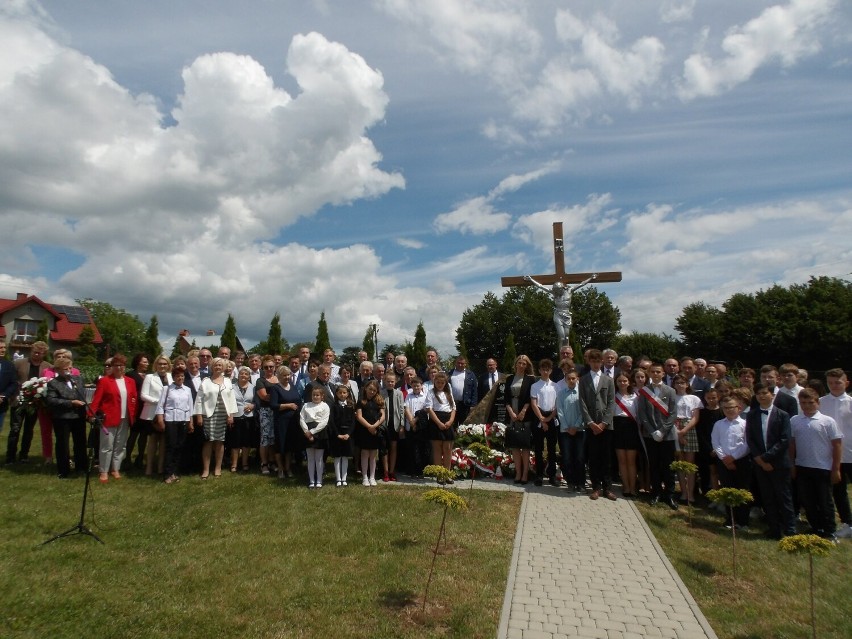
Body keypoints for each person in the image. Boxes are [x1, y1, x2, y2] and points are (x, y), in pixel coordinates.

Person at [790, 389, 843, 540]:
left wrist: (836, 468)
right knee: (808, 500)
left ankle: (830, 531)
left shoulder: (827, 421)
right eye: (803, 403)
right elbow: (792, 444)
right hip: (802, 466)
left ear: (818, 403)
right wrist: (792, 464)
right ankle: (816, 527)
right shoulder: (795, 420)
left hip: (823, 467)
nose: (807, 406)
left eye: (810, 403)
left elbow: (837, 445)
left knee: (825, 501)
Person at [745, 383, 795, 539]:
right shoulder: (752, 415)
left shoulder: (783, 415)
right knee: (768, 497)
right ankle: (773, 529)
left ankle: (790, 529)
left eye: (765, 393)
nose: (761, 396)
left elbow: (784, 440)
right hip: (760, 464)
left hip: (778, 463)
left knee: (783, 497)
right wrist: (759, 459)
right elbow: (750, 439)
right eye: (758, 393)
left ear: (772, 395)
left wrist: (767, 457)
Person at [90, 353, 138, 483]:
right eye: (116, 365)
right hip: (109, 418)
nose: (119, 368)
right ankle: (104, 471)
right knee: (107, 445)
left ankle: (115, 468)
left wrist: (132, 415)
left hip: (125, 418)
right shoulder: (105, 381)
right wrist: (91, 415)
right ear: (112, 367)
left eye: (122, 365)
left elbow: (133, 399)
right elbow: (97, 399)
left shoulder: (130, 381)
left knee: (120, 446)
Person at [637, 363, 678, 509]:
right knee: (653, 465)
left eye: (658, 372)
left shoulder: (671, 391)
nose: (655, 374)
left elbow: (673, 413)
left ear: (663, 374)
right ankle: (656, 493)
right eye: (653, 372)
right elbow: (642, 413)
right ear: (649, 373)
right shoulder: (644, 391)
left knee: (668, 466)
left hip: (667, 435)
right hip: (650, 435)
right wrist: (652, 431)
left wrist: (662, 430)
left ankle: (670, 495)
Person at [579, 349, 616, 501]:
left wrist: (604, 423)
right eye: (592, 361)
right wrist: (590, 422)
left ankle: (608, 488)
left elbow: (611, 402)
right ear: (589, 362)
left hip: (606, 426)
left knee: (606, 458)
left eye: (598, 361)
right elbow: (582, 402)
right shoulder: (584, 379)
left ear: (602, 362)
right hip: (591, 425)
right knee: (593, 457)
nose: (595, 364)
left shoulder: (608, 380)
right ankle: (596, 487)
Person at [44, 352, 87, 479]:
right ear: (58, 370)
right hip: (62, 417)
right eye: (65, 369)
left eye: (70, 368)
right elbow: (51, 401)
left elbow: (83, 393)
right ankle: (63, 470)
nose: (69, 371)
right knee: (63, 444)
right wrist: (70, 403)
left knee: (80, 442)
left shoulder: (78, 379)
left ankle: (81, 467)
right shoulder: (54, 383)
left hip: (78, 416)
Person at [711, 397, 753, 530]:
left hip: (741, 462)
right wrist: (724, 458)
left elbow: (747, 444)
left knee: (742, 490)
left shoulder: (745, 424)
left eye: (731, 407)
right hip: (723, 462)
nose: (729, 410)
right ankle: (730, 519)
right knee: (727, 490)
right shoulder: (718, 424)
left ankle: (743, 521)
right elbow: (715, 442)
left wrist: (733, 457)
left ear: (739, 408)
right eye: (725, 408)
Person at [6, 340, 50, 464]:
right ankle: (10, 456)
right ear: (31, 351)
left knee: (28, 430)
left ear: (44, 354)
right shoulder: (18, 363)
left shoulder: (47, 366)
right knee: (15, 428)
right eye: (35, 352)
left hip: (35, 403)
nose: (37, 355)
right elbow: (11, 380)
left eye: (40, 353)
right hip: (18, 401)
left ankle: (24, 455)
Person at [193, 357, 237, 479]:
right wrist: (199, 415)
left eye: (220, 365)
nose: (218, 367)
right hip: (208, 414)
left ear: (223, 367)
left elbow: (231, 399)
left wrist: (231, 415)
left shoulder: (227, 381)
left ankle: (218, 468)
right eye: (216, 365)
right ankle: (206, 469)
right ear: (212, 367)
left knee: (220, 441)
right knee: (208, 442)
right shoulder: (206, 381)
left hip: (223, 415)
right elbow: (199, 400)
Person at [820, 368, 852, 538]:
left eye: (838, 382)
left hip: (851, 453)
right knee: (838, 491)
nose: (834, 386)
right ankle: (847, 522)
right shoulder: (821, 402)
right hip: (832, 455)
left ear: (846, 383)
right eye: (830, 383)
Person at [523, 273, 596, 347]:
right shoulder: (554, 293)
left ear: (562, 288)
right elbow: (541, 286)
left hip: (567, 315)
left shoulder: (569, 291)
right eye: (556, 290)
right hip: (558, 314)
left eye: (558, 290)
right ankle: (562, 353)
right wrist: (531, 280)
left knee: (566, 337)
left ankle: (566, 353)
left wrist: (591, 278)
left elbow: (581, 284)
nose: (557, 292)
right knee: (562, 337)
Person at [155, 366, 194, 485]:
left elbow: (190, 407)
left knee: (179, 446)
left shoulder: (187, 390)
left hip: (183, 420)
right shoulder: (167, 389)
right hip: (170, 420)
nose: (180, 378)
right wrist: (160, 420)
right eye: (178, 376)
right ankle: (167, 473)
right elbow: (160, 406)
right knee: (171, 447)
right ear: (173, 377)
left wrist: (190, 422)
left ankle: (175, 472)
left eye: (182, 376)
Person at [504, 355, 536, 485]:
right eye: (520, 363)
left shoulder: (530, 379)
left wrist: (523, 411)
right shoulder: (509, 378)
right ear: (516, 364)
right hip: (512, 413)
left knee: (525, 445)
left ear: (527, 366)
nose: (522, 365)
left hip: (525, 414)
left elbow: (531, 398)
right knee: (515, 446)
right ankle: (517, 472)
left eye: (524, 364)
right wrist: (511, 411)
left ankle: (525, 474)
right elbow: (506, 397)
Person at [139, 355, 172, 478]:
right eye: (160, 364)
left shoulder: (170, 377)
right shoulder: (149, 377)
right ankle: (148, 467)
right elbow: (143, 395)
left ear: (168, 365)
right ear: (156, 365)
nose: (162, 366)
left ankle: (160, 467)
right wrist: (159, 401)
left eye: (165, 364)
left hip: (167, 413)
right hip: (152, 413)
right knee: (153, 440)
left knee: (164, 441)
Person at [672, 374, 702, 504]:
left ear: (687, 384)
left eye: (682, 382)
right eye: (677, 383)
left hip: (689, 428)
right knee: (680, 463)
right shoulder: (671, 397)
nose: (680, 385)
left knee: (690, 464)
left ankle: (691, 493)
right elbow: (670, 416)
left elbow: (695, 417)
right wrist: (677, 432)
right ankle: (683, 492)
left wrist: (684, 431)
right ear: (674, 385)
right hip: (675, 427)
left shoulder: (694, 398)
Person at [555, 363, 584, 492]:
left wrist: (576, 426)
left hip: (580, 430)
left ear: (577, 378)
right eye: (569, 379)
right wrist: (567, 426)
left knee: (579, 457)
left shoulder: (582, 393)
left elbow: (584, 411)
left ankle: (581, 482)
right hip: (565, 430)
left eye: (574, 378)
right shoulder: (561, 394)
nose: (571, 380)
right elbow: (560, 411)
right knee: (567, 457)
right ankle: (570, 481)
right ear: (565, 379)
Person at [530, 359, 559, 487]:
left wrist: (549, 418)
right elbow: (533, 403)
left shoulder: (556, 386)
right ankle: (539, 475)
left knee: (552, 449)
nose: (545, 371)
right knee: (539, 448)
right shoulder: (535, 386)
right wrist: (542, 419)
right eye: (543, 369)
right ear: (539, 370)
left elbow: (558, 404)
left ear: (551, 371)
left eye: (548, 369)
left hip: (552, 417)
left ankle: (552, 475)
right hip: (539, 417)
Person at [269, 365, 301, 479]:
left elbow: (297, 400)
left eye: (288, 375)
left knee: (289, 446)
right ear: (278, 376)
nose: (287, 377)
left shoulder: (292, 386)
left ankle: (288, 468)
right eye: (284, 375)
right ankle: (280, 469)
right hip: (281, 421)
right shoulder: (275, 388)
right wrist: (288, 405)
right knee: (280, 445)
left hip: (293, 421)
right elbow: (273, 405)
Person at [425, 371, 457, 481]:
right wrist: (438, 423)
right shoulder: (431, 392)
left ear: (445, 383)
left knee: (447, 449)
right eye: (438, 382)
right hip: (436, 420)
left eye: (442, 383)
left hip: (448, 420)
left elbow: (453, 408)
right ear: (435, 382)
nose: (440, 385)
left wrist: (451, 421)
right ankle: (439, 474)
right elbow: (429, 408)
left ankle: (447, 474)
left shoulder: (448, 393)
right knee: (437, 449)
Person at [613, 372, 640, 498]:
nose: (622, 383)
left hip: (631, 428)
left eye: (625, 381)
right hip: (618, 427)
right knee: (622, 460)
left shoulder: (635, 396)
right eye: (619, 381)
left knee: (631, 461)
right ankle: (626, 486)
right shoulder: (613, 396)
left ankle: (633, 487)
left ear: (629, 382)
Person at [355, 380, 385, 487]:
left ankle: (372, 477)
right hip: (364, 430)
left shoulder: (379, 401)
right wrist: (369, 426)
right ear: (365, 389)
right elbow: (359, 416)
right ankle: (364, 477)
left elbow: (383, 416)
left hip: (375, 430)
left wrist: (374, 426)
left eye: (374, 390)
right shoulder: (361, 401)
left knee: (373, 455)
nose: (372, 392)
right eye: (370, 389)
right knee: (364, 454)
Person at [300, 386, 330, 488]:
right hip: (307, 432)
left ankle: (319, 480)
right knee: (310, 458)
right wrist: (306, 431)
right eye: (313, 395)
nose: (315, 397)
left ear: (322, 396)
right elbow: (302, 419)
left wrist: (313, 432)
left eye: (317, 395)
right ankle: (311, 480)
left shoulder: (325, 406)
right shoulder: (306, 406)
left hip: (319, 432)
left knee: (319, 458)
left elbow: (324, 422)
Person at [255, 356, 279, 475]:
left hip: (277, 411)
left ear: (275, 367)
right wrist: (280, 396)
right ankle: (264, 463)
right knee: (265, 438)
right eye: (266, 367)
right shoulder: (261, 381)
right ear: (262, 368)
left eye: (271, 367)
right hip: (266, 411)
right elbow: (264, 396)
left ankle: (272, 461)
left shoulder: (279, 379)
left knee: (273, 438)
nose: (269, 369)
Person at [124, 353, 150, 468]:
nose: (147, 364)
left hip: (146, 408)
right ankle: (127, 458)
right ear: (138, 362)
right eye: (144, 362)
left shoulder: (149, 376)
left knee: (144, 434)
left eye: (147, 362)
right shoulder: (131, 375)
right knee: (134, 434)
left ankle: (140, 458)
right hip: (136, 408)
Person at [229, 366, 255, 472]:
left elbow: (257, 401)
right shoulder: (231, 387)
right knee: (235, 442)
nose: (243, 375)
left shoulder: (253, 387)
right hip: (236, 416)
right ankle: (234, 464)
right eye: (241, 373)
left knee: (246, 441)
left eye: (246, 374)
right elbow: (229, 401)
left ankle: (245, 463)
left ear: (249, 376)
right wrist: (230, 415)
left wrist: (253, 406)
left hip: (249, 417)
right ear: (238, 375)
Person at [328, 384, 356, 487]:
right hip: (337, 435)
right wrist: (337, 434)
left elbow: (353, 421)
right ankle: (338, 478)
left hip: (347, 435)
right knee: (337, 457)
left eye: (344, 393)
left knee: (345, 457)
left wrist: (348, 434)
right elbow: (331, 422)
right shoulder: (333, 406)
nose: (342, 395)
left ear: (348, 394)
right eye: (340, 393)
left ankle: (344, 478)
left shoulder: (350, 406)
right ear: (336, 394)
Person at [381, 370, 404, 482]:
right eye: (388, 381)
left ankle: (392, 471)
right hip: (384, 424)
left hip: (395, 424)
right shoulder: (381, 393)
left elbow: (401, 410)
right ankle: (385, 471)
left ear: (395, 382)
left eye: (392, 382)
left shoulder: (399, 393)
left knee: (394, 448)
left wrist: (402, 425)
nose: (390, 383)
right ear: (385, 382)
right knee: (385, 449)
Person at [403, 376, 429, 477]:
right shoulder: (409, 396)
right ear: (411, 386)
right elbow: (406, 409)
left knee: (422, 449)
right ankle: (412, 470)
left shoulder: (425, 396)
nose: (416, 388)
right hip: (410, 426)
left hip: (421, 427)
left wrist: (415, 421)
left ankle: (421, 471)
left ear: (421, 386)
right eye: (414, 386)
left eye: (418, 386)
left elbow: (425, 410)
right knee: (412, 449)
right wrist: (411, 422)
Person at [447, 356, 477, 426]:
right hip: (452, 404)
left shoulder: (470, 374)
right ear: (455, 363)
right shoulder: (449, 373)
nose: (460, 365)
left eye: (462, 363)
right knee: (452, 423)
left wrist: (473, 404)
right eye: (458, 363)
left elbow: (474, 390)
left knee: (464, 424)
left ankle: (462, 437)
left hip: (465, 404)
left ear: (465, 364)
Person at [0, 341, 17, 438]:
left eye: (4, 347)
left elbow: (13, 384)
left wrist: (3, 396)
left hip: (1, 405)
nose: (3, 350)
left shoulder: (9, 365)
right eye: (0, 348)